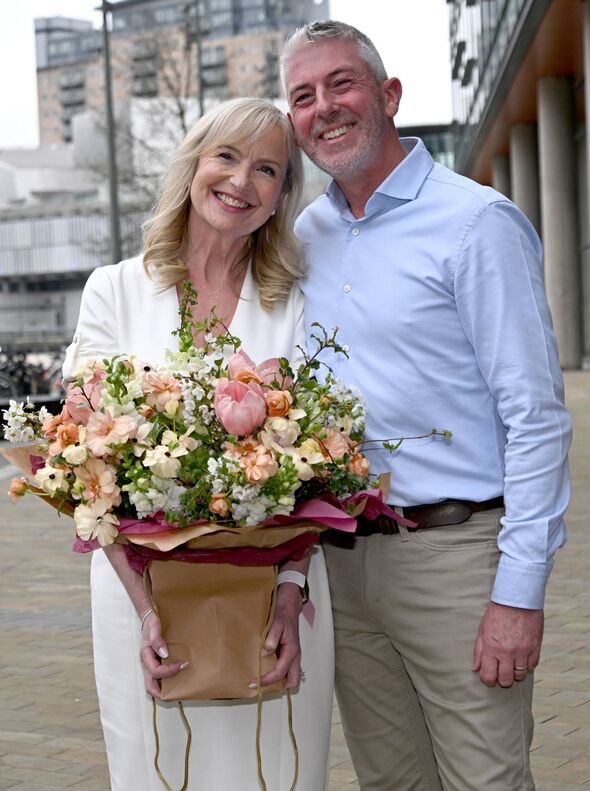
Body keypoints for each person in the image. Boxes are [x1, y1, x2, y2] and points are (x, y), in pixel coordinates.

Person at [282, 20, 572, 791]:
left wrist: (519, 591)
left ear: (389, 95)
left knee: (486, 780)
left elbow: (535, 416)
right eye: (303, 96)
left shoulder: (475, 222)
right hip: (341, 564)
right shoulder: (304, 238)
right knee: (392, 782)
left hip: (455, 559)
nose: (325, 107)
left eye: (342, 83)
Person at [62, 98, 334, 791]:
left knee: (279, 770)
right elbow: (83, 468)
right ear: (192, 165)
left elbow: (325, 460)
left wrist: (288, 594)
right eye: (227, 156)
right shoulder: (114, 291)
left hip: (277, 600)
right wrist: (151, 610)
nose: (242, 181)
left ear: (280, 198)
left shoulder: (296, 303)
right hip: (138, 596)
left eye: (267, 169)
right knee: (155, 772)